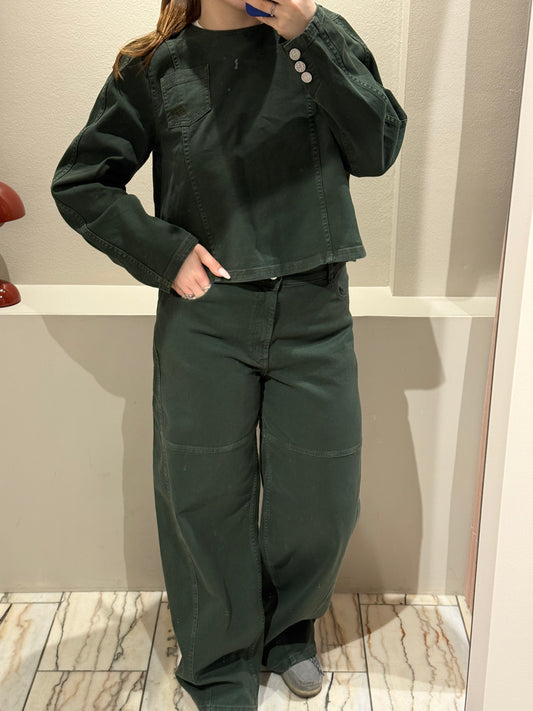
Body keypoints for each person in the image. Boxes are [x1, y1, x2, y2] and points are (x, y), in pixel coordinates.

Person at [50, 1, 407, 709]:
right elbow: (81, 181)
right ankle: (218, 661)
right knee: (203, 494)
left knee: (324, 496)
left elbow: (377, 148)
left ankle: (289, 630)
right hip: (207, 318)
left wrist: (309, 30)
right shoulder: (153, 67)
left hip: (314, 307)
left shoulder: (316, 37)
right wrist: (166, 253)